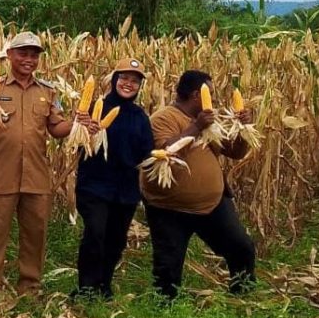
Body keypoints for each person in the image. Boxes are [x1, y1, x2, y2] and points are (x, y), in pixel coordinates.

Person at [0, 32, 95, 295]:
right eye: (23, 53)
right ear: (10, 55)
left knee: (35, 233)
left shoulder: (48, 91)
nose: (29, 59)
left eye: (34, 54)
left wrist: (79, 123)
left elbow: (57, 128)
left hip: (36, 177)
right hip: (1, 175)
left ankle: (30, 286)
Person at [141, 70, 256, 299]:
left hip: (213, 204)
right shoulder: (163, 118)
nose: (211, 99)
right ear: (196, 94)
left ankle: (242, 297)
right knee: (168, 267)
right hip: (169, 209)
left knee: (242, 248)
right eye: (209, 93)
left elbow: (234, 152)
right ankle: (166, 310)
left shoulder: (208, 121)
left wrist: (243, 130)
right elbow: (163, 152)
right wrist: (195, 128)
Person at [74, 58, 153, 298]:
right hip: (94, 185)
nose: (128, 84)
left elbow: (146, 152)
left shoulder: (140, 117)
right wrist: (87, 132)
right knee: (95, 233)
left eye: (135, 81)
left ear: (140, 86)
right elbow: (76, 144)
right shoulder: (95, 107)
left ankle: (104, 285)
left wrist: (160, 158)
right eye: (124, 78)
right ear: (114, 79)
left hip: (125, 189)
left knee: (116, 240)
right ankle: (86, 287)